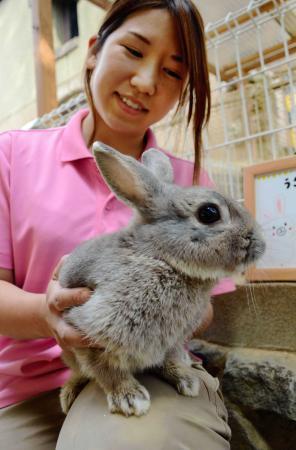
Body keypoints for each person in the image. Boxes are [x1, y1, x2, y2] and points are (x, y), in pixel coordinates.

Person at [0, 1, 234, 448]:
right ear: (93, 50)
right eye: (133, 50)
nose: (145, 82)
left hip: (146, 365)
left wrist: (163, 305)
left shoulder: (191, 185)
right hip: (26, 388)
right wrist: (48, 315)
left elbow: (205, 308)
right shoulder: (11, 157)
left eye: (172, 73)